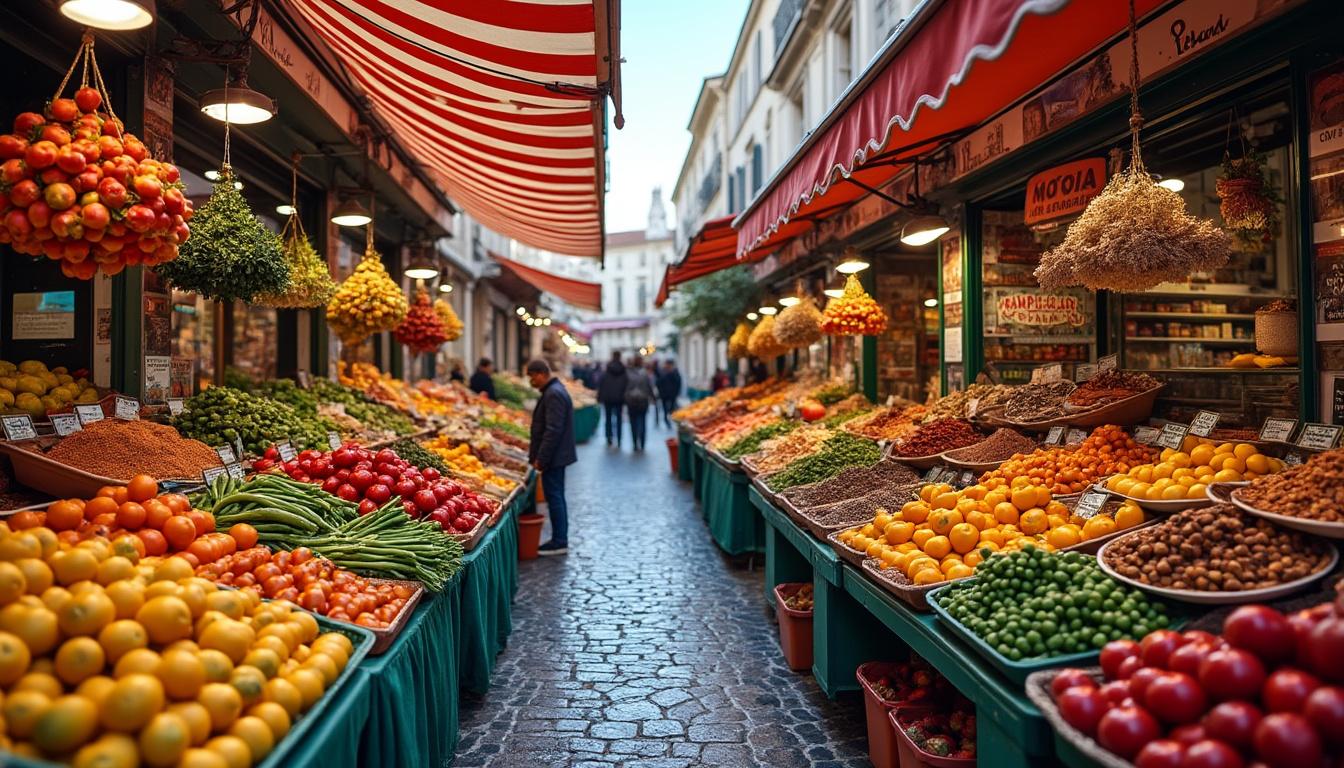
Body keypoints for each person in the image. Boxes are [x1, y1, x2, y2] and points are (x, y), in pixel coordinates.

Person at [526, 359, 576, 556]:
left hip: (554, 457)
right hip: (557, 455)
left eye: (531, 377)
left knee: (554, 497)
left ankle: (559, 541)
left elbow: (553, 431)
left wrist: (542, 458)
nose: (531, 381)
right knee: (556, 496)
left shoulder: (553, 394)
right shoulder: (554, 390)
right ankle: (559, 538)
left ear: (540, 374)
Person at [596, 350, 628, 447]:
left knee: (608, 419)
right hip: (619, 399)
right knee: (619, 419)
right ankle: (618, 438)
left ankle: (609, 437)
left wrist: (600, 397)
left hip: (608, 398)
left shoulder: (607, 370)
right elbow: (626, 385)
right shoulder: (623, 371)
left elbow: (601, 384)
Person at [624, 357, 655, 451]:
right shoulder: (645, 374)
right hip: (642, 401)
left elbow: (625, 387)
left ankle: (635, 443)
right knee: (642, 422)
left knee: (633, 423)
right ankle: (642, 443)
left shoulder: (628, 373)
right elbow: (649, 387)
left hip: (631, 401)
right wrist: (652, 397)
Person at [655, 360, 681, 428]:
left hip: (672, 395)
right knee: (665, 409)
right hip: (664, 395)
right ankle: (667, 421)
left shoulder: (674, 372)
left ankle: (671, 420)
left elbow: (678, 383)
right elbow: (658, 383)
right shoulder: (662, 373)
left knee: (672, 408)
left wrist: (676, 393)